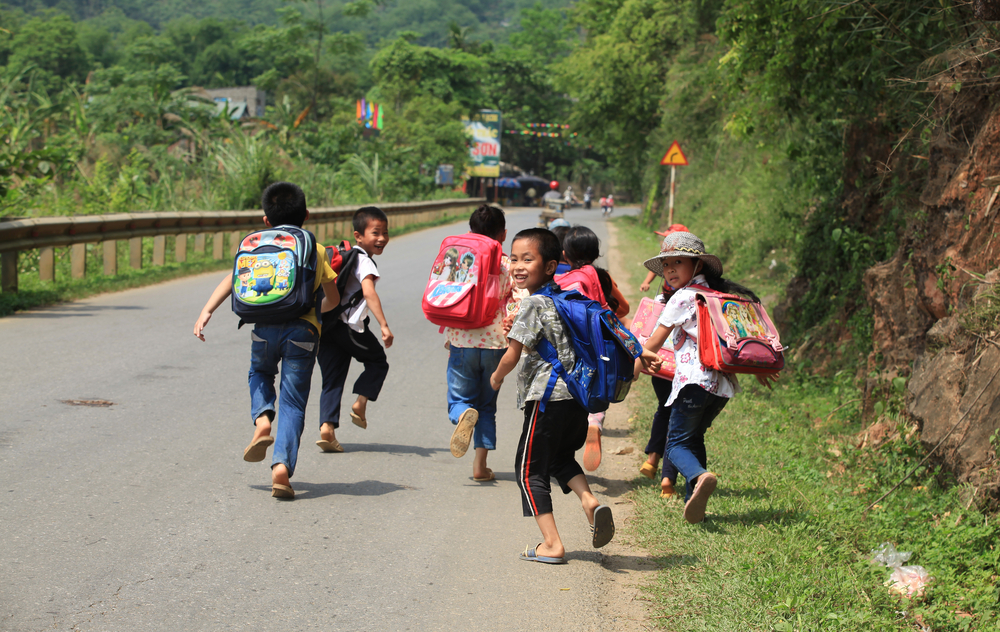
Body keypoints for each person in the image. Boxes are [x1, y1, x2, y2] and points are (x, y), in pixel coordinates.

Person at [193, 181, 340, 499]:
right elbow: (333, 297)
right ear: (307, 215)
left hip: (262, 327)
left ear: (265, 220)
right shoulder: (315, 249)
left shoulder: (255, 244)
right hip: (303, 331)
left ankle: (261, 419)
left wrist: (206, 311)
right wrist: (318, 312)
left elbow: (232, 280)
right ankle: (281, 470)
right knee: (293, 402)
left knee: (259, 372)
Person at [489, 228, 617, 563]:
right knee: (559, 458)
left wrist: (496, 378)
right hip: (577, 397)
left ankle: (552, 544)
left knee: (527, 470)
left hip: (546, 399)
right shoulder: (564, 300)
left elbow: (512, 356)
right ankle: (590, 502)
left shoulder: (532, 303)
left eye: (527, 259)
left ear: (549, 266)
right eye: (514, 258)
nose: (517, 265)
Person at [636, 231, 777, 523]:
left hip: (692, 383)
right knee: (694, 438)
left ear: (697, 266)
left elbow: (652, 342)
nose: (671, 269)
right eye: (666, 265)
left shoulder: (683, 297)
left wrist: (633, 368)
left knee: (675, 445)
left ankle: (699, 476)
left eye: (678, 262)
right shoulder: (717, 296)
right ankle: (693, 503)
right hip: (720, 388)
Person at [444, 204, 524, 481]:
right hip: (496, 345)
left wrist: (449, 331)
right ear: (502, 235)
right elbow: (518, 301)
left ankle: (461, 413)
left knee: (460, 399)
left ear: (470, 231)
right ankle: (480, 467)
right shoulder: (507, 265)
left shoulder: (462, 261)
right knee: (487, 406)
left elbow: (450, 297)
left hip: (462, 341)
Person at [314, 206, 394, 453]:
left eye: (385, 232)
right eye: (375, 232)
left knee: (332, 377)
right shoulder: (363, 261)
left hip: (325, 327)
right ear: (359, 236)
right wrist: (384, 325)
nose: (381, 238)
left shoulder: (343, 256)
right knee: (378, 362)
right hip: (348, 327)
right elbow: (369, 293)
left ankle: (327, 429)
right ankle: (360, 403)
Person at [554, 225, 630, 472]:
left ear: (564, 254)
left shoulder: (562, 280)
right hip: (600, 345)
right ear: (596, 253)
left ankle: (561, 451)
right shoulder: (601, 276)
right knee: (593, 389)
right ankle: (594, 423)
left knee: (569, 394)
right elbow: (624, 309)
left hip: (573, 347)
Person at [639, 225, 690, 292]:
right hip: (668, 294)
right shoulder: (667, 255)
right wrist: (646, 282)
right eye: (666, 239)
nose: (666, 243)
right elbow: (656, 267)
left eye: (671, 240)